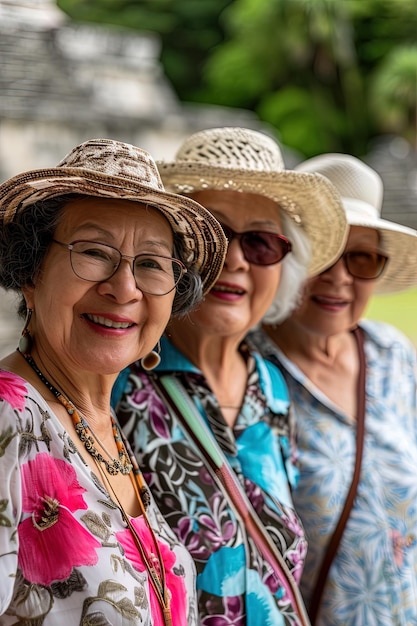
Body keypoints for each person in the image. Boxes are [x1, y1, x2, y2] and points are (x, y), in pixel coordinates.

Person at [113, 127, 348, 625]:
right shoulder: (115, 381)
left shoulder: (273, 389)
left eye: (261, 243)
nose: (237, 259)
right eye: (214, 234)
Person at [0, 137, 228, 625]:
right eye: (94, 252)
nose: (123, 289)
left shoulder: (98, 420)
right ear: (31, 272)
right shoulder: (7, 418)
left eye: (149, 263)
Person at [251, 153, 417, 626]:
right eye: (325, 255)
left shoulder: (391, 355)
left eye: (361, 258)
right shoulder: (248, 372)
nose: (340, 278)